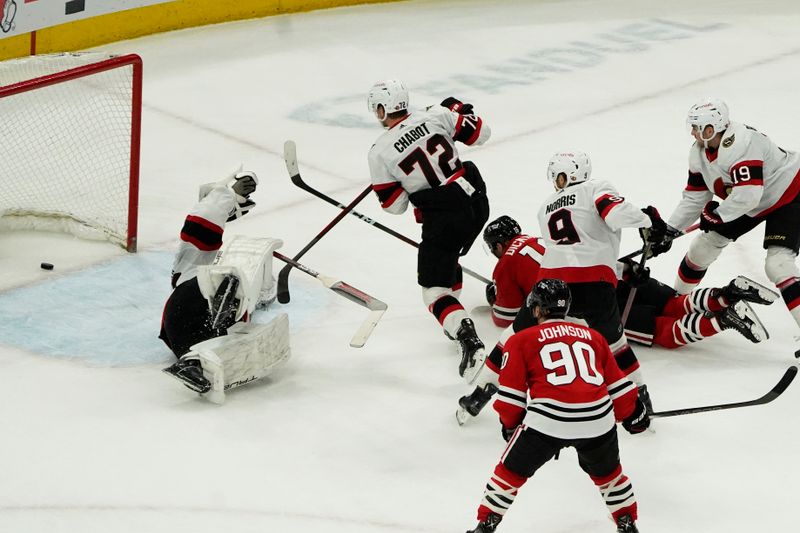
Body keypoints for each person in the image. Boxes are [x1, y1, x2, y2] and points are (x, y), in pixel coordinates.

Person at [457, 216, 774, 422]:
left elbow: (504, 318)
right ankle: (727, 294)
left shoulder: (506, 263)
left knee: (663, 332)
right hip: (612, 274)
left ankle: (722, 319)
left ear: (498, 245)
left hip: (587, 301)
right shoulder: (545, 239)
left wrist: (494, 295)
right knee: (674, 304)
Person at [464, 279, 648, 533]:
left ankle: (486, 526)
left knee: (508, 474)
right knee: (610, 477)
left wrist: (511, 426)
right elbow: (619, 386)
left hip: (546, 422)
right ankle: (627, 523)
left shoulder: (521, 339)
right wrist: (634, 414)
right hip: (597, 422)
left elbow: (511, 396)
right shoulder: (593, 337)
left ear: (537, 309)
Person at [366, 79, 491, 382]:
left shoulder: (379, 152)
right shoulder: (436, 114)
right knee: (449, 256)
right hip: (478, 203)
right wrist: (459, 110)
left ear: (382, 109)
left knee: (434, 291)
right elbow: (482, 134)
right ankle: (455, 314)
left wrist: (393, 183)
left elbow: (395, 206)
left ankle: (466, 337)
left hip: (446, 219)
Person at [665, 98, 800, 354]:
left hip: (788, 193)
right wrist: (670, 229)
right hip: (750, 200)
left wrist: (717, 216)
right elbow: (695, 196)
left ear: (711, 129)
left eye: (697, 127)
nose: (692, 133)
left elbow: (749, 195)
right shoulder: (699, 152)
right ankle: (674, 305)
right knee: (702, 249)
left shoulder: (741, 144)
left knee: (778, 264)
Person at [536, 151, 664, 406]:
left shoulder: (544, 209)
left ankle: (491, 393)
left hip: (550, 285)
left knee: (555, 343)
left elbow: (572, 255)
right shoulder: (594, 187)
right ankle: (638, 398)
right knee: (616, 345)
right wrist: (647, 219)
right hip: (593, 284)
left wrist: (623, 271)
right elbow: (614, 216)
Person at [160, 170, 289, 401]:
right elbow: (203, 219)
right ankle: (193, 361)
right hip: (186, 316)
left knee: (209, 342)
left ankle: (192, 366)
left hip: (197, 336)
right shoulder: (191, 269)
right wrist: (228, 196)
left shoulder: (200, 273)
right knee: (222, 280)